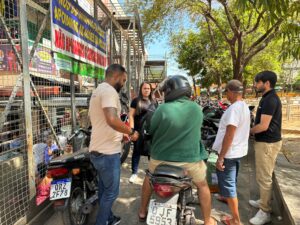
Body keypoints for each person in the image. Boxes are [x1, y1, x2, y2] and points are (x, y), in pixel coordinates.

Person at [138, 75, 215, 225]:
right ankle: (207, 220)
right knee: (203, 186)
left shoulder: (162, 109)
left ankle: (142, 211)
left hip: (160, 160)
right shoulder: (197, 109)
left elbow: (151, 130)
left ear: (171, 91)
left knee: (149, 178)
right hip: (190, 162)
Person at [89, 64, 139, 225]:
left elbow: (105, 122)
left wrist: (120, 135)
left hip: (97, 150)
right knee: (111, 193)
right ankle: (102, 222)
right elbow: (111, 119)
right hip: (107, 153)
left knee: (104, 189)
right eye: (123, 80)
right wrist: (131, 132)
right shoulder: (109, 91)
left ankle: (109, 218)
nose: (123, 84)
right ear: (116, 77)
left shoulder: (98, 91)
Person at [212, 80, 250, 225]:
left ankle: (236, 220)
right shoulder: (244, 106)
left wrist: (221, 157)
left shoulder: (234, 109)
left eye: (226, 91)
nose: (225, 94)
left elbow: (230, 134)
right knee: (231, 181)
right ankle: (225, 197)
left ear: (232, 92)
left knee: (229, 185)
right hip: (238, 151)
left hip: (229, 153)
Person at [249, 71, 282, 225]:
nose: (255, 85)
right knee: (262, 175)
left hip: (267, 143)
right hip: (265, 143)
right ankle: (264, 200)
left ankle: (265, 212)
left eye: (258, 82)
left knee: (264, 178)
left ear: (267, 83)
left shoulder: (270, 99)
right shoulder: (267, 98)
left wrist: (247, 131)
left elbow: (263, 126)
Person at [128, 82, 156, 183]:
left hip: (150, 131)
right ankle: (134, 173)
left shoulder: (154, 101)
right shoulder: (136, 101)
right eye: (144, 88)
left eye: (148, 88)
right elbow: (130, 115)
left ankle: (152, 174)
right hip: (138, 130)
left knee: (151, 153)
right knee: (136, 152)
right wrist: (132, 131)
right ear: (141, 89)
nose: (146, 90)